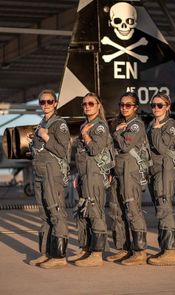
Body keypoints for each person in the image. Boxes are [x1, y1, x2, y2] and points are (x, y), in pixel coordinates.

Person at [69, 92, 114, 267]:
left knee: (95, 213)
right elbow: (80, 156)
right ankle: (86, 248)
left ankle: (97, 253)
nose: (87, 106)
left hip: (95, 176)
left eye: (91, 104)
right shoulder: (85, 125)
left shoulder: (99, 127)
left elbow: (95, 150)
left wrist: (86, 135)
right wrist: (78, 175)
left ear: (98, 106)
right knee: (83, 213)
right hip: (84, 175)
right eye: (84, 104)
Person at [107, 92, 151, 266]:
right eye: (122, 104)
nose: (124, 108)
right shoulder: (121, 123)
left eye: (128, 105)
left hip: (130, 172)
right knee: (116, 211)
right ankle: (123, 249)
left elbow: (125, 145)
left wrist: (118, 132)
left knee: (133, 210)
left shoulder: (136, 125)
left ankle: (140, 252)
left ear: (135, 107)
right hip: (118, 171)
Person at [28, 89, 70, 269]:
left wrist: (45, 137)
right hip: (40, 173)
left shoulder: (59, 124)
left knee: (56, 212)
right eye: (42, 102)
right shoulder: (42, 123)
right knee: (44, 214)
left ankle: (59, 257)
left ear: (55, 103)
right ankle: (46, 253)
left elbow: (63, 151)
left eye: (49, 101)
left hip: (52, 174)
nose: (45, 105)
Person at [147, 93, 175, 266]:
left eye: (160, 105)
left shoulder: (170, 125)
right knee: (160, 209)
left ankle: (170, 252)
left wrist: (156, 129)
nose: (155, 108)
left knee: (164, 209)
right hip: (154, 172)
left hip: (165, 172)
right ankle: (164, 249)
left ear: (167, 107)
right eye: (153, 105)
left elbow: (161, 148)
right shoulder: (152, 125)